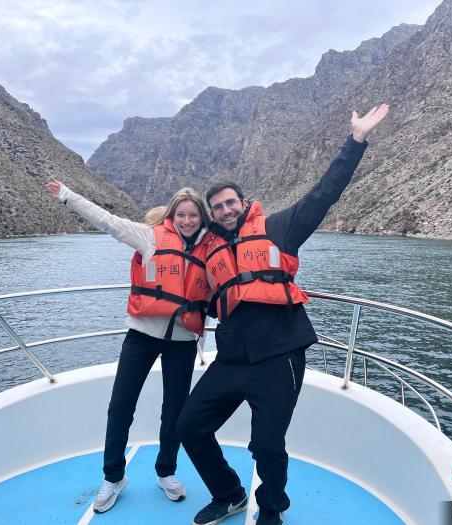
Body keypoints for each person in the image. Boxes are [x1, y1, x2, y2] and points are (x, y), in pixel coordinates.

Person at [176, 104, 390, 525]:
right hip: (232, 360)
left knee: (267, 446)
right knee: (189, 427)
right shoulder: (209, 250)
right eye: (217, 207)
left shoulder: (279, 229)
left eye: (230, 202)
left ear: (243, 203)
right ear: (211, 214)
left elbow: (324, 193)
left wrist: (356, 140)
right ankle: (229, 494)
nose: (225, 210)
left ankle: (271, 508)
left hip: (280, 358)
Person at [45, 182, 211, 514]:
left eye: (193, 215)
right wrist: (67, 196)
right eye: (181, 214)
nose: (187, 220)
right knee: (121, 406)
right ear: (172, 215)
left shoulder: (211, 246)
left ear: (202, 217)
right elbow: (108, 221)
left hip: (182, 342)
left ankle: (166, 472)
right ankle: (114, 477)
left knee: (174, 412)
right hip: (142, 336)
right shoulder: (149, 237)